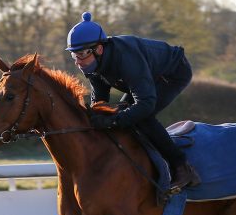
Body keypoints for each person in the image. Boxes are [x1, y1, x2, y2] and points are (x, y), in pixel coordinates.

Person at [65, 12, 200, 191]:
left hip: (171, 74)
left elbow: (145, 104)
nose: (78, 62)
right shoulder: (90, 63)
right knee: (121, 114)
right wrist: (94, 116)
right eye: (74, 56)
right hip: (147, 75)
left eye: (81, 54)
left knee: (142, 117)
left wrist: (113, 120)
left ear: (99, 49)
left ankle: (182, 167)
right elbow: (100, 98)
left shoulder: (126, 59)